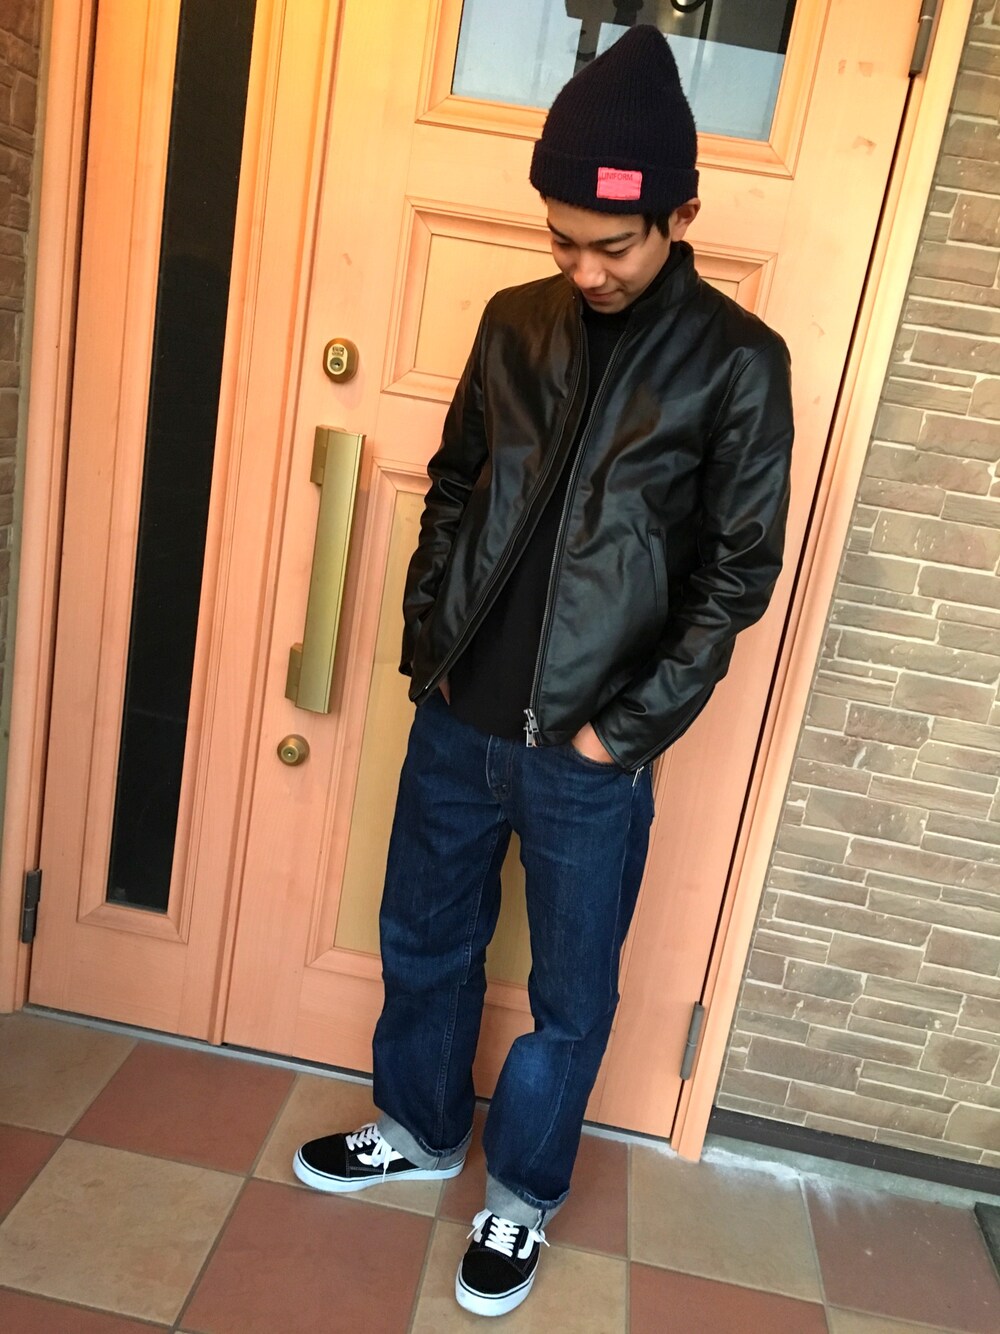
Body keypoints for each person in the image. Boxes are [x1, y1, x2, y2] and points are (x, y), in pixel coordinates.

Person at [294, 25, 794, 1318]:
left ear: (679, 219)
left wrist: (617, 735)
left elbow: (737, 575)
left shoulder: (740, 366)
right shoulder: (515, 322)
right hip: (459, 716)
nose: (584, 268)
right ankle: (417, 1128)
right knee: (424, 938)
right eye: (564, 239)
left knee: (569, 997)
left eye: (613, 245)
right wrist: (428, 641)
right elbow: (457, 483)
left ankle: (518, 1195)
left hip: (590, 753)